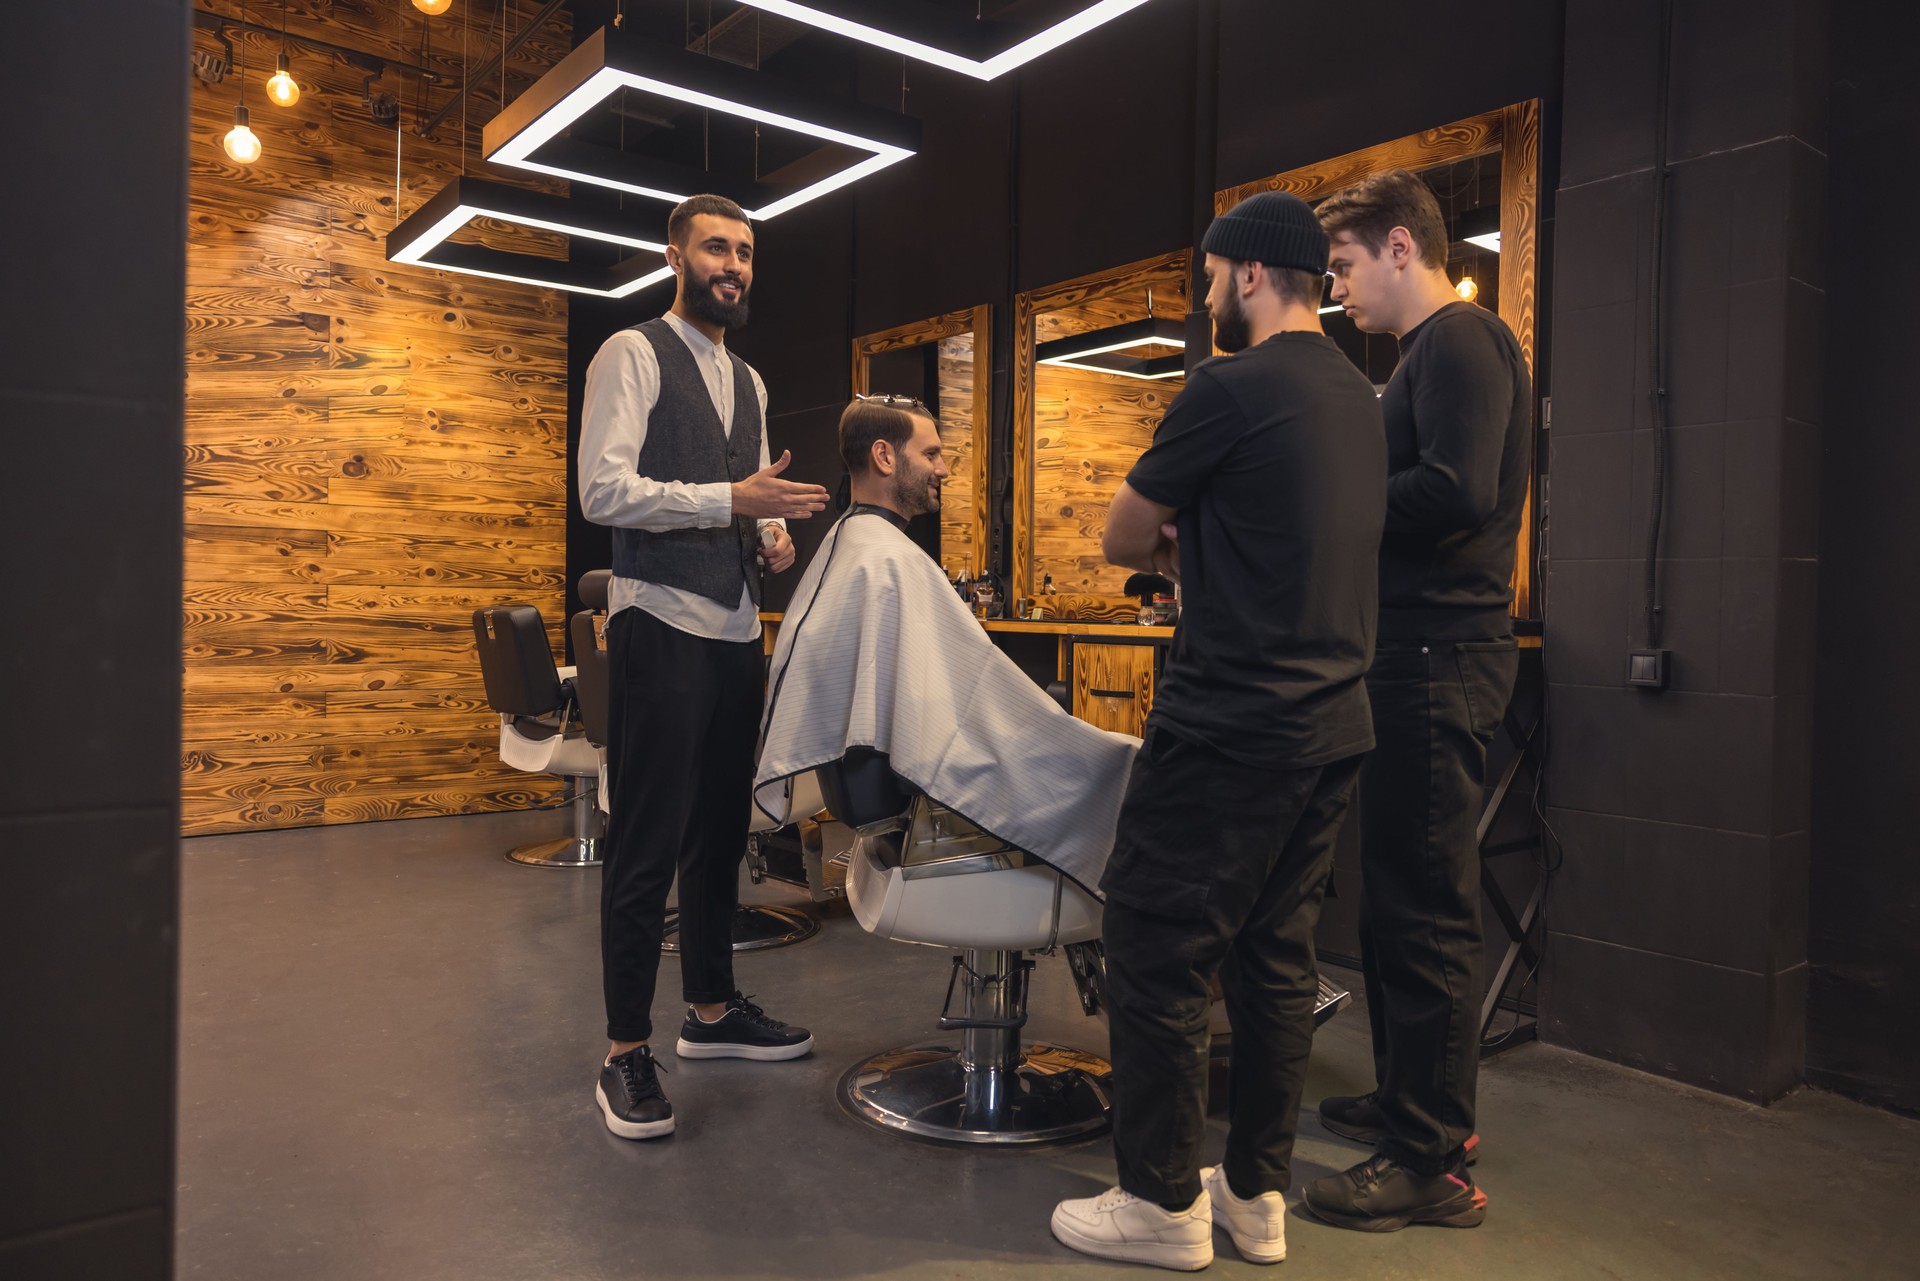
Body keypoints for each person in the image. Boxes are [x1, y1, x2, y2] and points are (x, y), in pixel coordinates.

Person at [1049, 192, 1386, 1271]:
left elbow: (1119, 534)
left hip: (1232, 720)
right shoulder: (1357, 395)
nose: (1202, 303)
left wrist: (1183, 549)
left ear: (1247, 274)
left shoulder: (1226, 389)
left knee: (1154, 945)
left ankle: (1157, 1203)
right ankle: (1254, 1197)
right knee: (1276, 963)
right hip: (1333, 725)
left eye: (1205, 282)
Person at [1300, 168, 1531, 1231]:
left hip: (1442, 658)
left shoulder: (1459, 343)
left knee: (1428, 910)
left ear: (1401, 246)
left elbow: (1458, 489)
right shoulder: (1416, 362)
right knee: (1395, 900)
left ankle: (1431, 1164)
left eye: (1344, 267)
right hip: (1411, 657)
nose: (1340, 290)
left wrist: (1333, 498)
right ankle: (1407, 1105)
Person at [578, 193, 831, 1141]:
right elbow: (603, 489)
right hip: (657, 618)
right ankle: (621, 1051)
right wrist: (732, 497)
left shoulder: (752, 382)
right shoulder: (632, 353)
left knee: (720, 835)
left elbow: (749, 496)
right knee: (645, 840)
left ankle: (713, 1012)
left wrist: (768, 535)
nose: (735, 265)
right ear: (675, 254)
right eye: (718, 248)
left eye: (747, 253)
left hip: (732, 628)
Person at [753, 396, 1136, 893]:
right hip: (924, 806)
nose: (944, 469)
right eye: (931, 454)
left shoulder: (855, 546)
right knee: (1126, 771)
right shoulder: (887, 560)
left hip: (891, 799)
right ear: (885, 457)